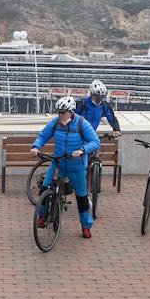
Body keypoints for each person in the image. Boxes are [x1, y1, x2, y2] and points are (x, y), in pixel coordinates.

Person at [31, 96, 100, 238]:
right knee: (45, 188)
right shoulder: (56, 122)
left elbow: (95, 142)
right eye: (59, 112)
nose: (60, 115)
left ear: (71, 111)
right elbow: (43, 135)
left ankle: (86, 226)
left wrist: (82, 150)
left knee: (82, 197)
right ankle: (42, 216)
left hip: (76, 166)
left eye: (63, 113)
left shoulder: (82, 123)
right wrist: (36, 146)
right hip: (58, 163)